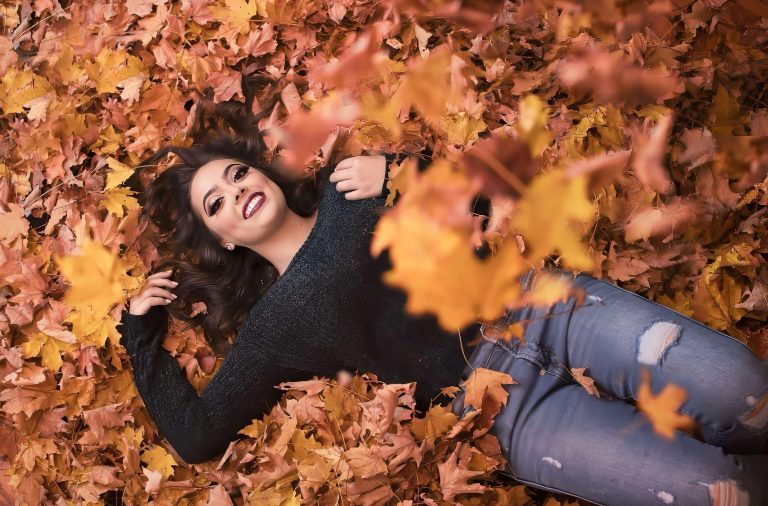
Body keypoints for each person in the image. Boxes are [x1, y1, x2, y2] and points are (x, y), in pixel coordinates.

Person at [120, 99, 768, 506]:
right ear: (223, 239)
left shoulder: (351, 188)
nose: (236, 193)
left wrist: (407, 175)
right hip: (495, 411)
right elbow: (197, 435)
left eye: (236, 175)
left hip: (535, 309)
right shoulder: (270, 332)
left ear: (259, 172)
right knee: (716, 493)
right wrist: (140, 335)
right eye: (216, 205)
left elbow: (491, 199)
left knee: (744, 387)